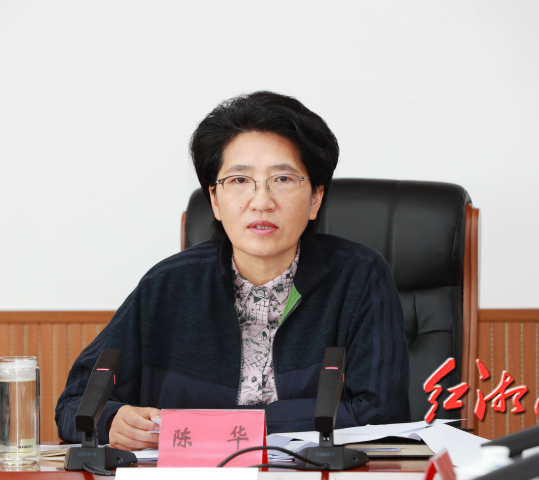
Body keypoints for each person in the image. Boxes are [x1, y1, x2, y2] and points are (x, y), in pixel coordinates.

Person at [55, 91, 410, 450]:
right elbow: (75, 404)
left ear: (315, 198)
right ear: (214, 200)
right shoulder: (167, 286)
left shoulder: (359, 277)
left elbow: (381, 412)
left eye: (283, 179)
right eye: (240, 180)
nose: (262, 202)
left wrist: (234, 426)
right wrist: (111, 421)